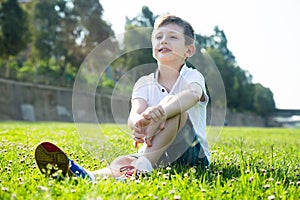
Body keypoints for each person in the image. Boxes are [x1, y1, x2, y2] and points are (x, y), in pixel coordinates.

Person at [34, 14, 210, 181]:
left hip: (191, 157)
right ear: (153, 49)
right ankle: (89, 176)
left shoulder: (193, 77)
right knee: (122, 162)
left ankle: (142, 168)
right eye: (158, 37)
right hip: (156, 151)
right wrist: (139, 124)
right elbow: (135, 112)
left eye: (173, 37)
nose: (163, 40)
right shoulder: (143, 83)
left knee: (175, 111)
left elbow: (193, 95)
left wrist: (162, 113)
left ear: (189, 50)